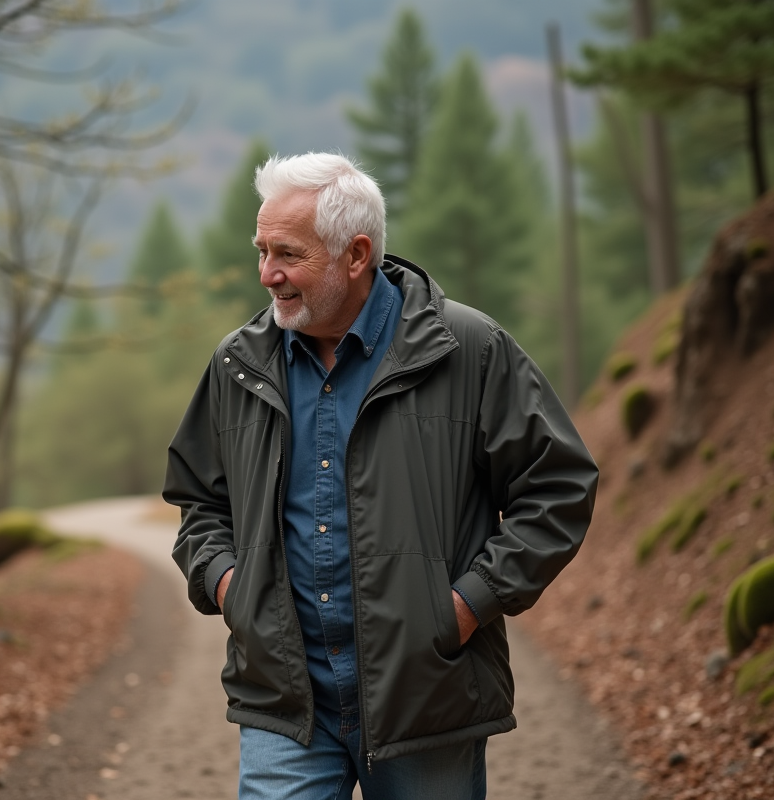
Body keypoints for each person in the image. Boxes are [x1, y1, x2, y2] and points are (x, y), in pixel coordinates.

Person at [163, 152, 598, 800]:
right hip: (285, 702)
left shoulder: (469, 350)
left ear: (356, 254)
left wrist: (465, 605)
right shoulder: (238, 363)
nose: (267, 274)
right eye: (261, 250)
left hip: (424, 697)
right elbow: (199, 499)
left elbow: (558, 486)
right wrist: (233, 589)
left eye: (287, 254)